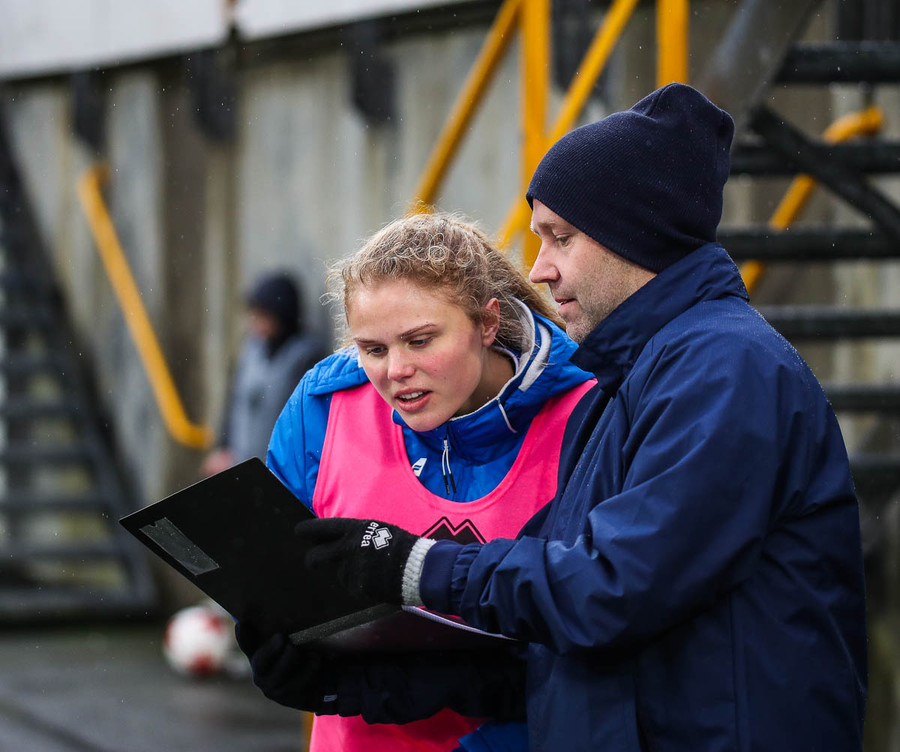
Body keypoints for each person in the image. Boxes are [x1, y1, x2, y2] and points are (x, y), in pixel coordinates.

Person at [291, 83, 869, 750]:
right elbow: (562, 643)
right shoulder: (629, 384)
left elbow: (612, 588)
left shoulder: (726, 369)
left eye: (560, 238)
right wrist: (360, 683)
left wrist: (414, 565)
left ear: (638, 235)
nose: (538, 270)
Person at [235, 213, 595, 751]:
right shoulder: (322, 407)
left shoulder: (589, 414)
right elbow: (277, 577)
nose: (395, 370)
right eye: (373, 349)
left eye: (420, 341)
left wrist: (419, 680)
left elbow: (598, 615)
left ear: (487, 323)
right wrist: (275, 647)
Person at [201, 271, 329, 477]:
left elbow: (308, 422)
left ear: (281, 315)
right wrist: (222, 447)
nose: (256, 322)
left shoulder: (306, 357)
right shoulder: (251, 348)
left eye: (263, 315)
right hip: (240, 463)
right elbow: (233, 401)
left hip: (281, 470)